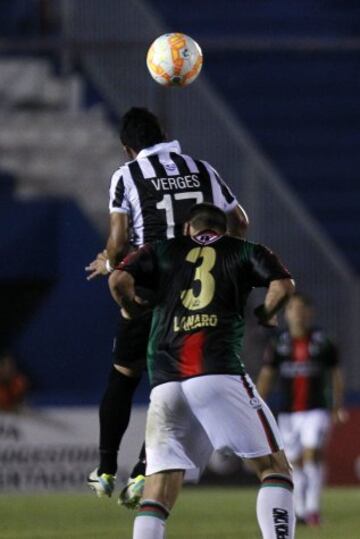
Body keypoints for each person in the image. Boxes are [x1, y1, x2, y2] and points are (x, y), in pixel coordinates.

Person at [85, 107, 249, 499]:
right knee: (173, 382)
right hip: (197, 294)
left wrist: (107, 262)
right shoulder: (203, 168)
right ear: (162, 135)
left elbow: (118, 240)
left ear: (129, 149)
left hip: (151, 286)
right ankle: (145, 469)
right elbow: (240, 222)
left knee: (124, 376)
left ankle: (106, 470)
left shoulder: (127, 175)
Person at [109, 203, 296, 539]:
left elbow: (118, 279)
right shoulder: (242, 250)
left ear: (187, 229)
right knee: (275, 469)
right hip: (216, 371)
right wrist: (268, 312)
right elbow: (283, 286)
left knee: (158, 492)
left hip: (165, 382)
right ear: (223, 229)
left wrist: (131, 307)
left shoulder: (162, 249)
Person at [257, 293, 345, 526]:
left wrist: (336, 406)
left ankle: (312, 508)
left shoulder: (322, 341)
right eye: (293, 309)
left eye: (302, 309)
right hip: (287, 413)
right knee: (294, 463)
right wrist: (255, 407)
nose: (298, 314)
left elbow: (336, 375)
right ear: (287, 314)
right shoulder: (279, 344)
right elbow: (267, 376)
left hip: (316, 410)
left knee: (311, 455)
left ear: (310, 313)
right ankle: (298, 510)